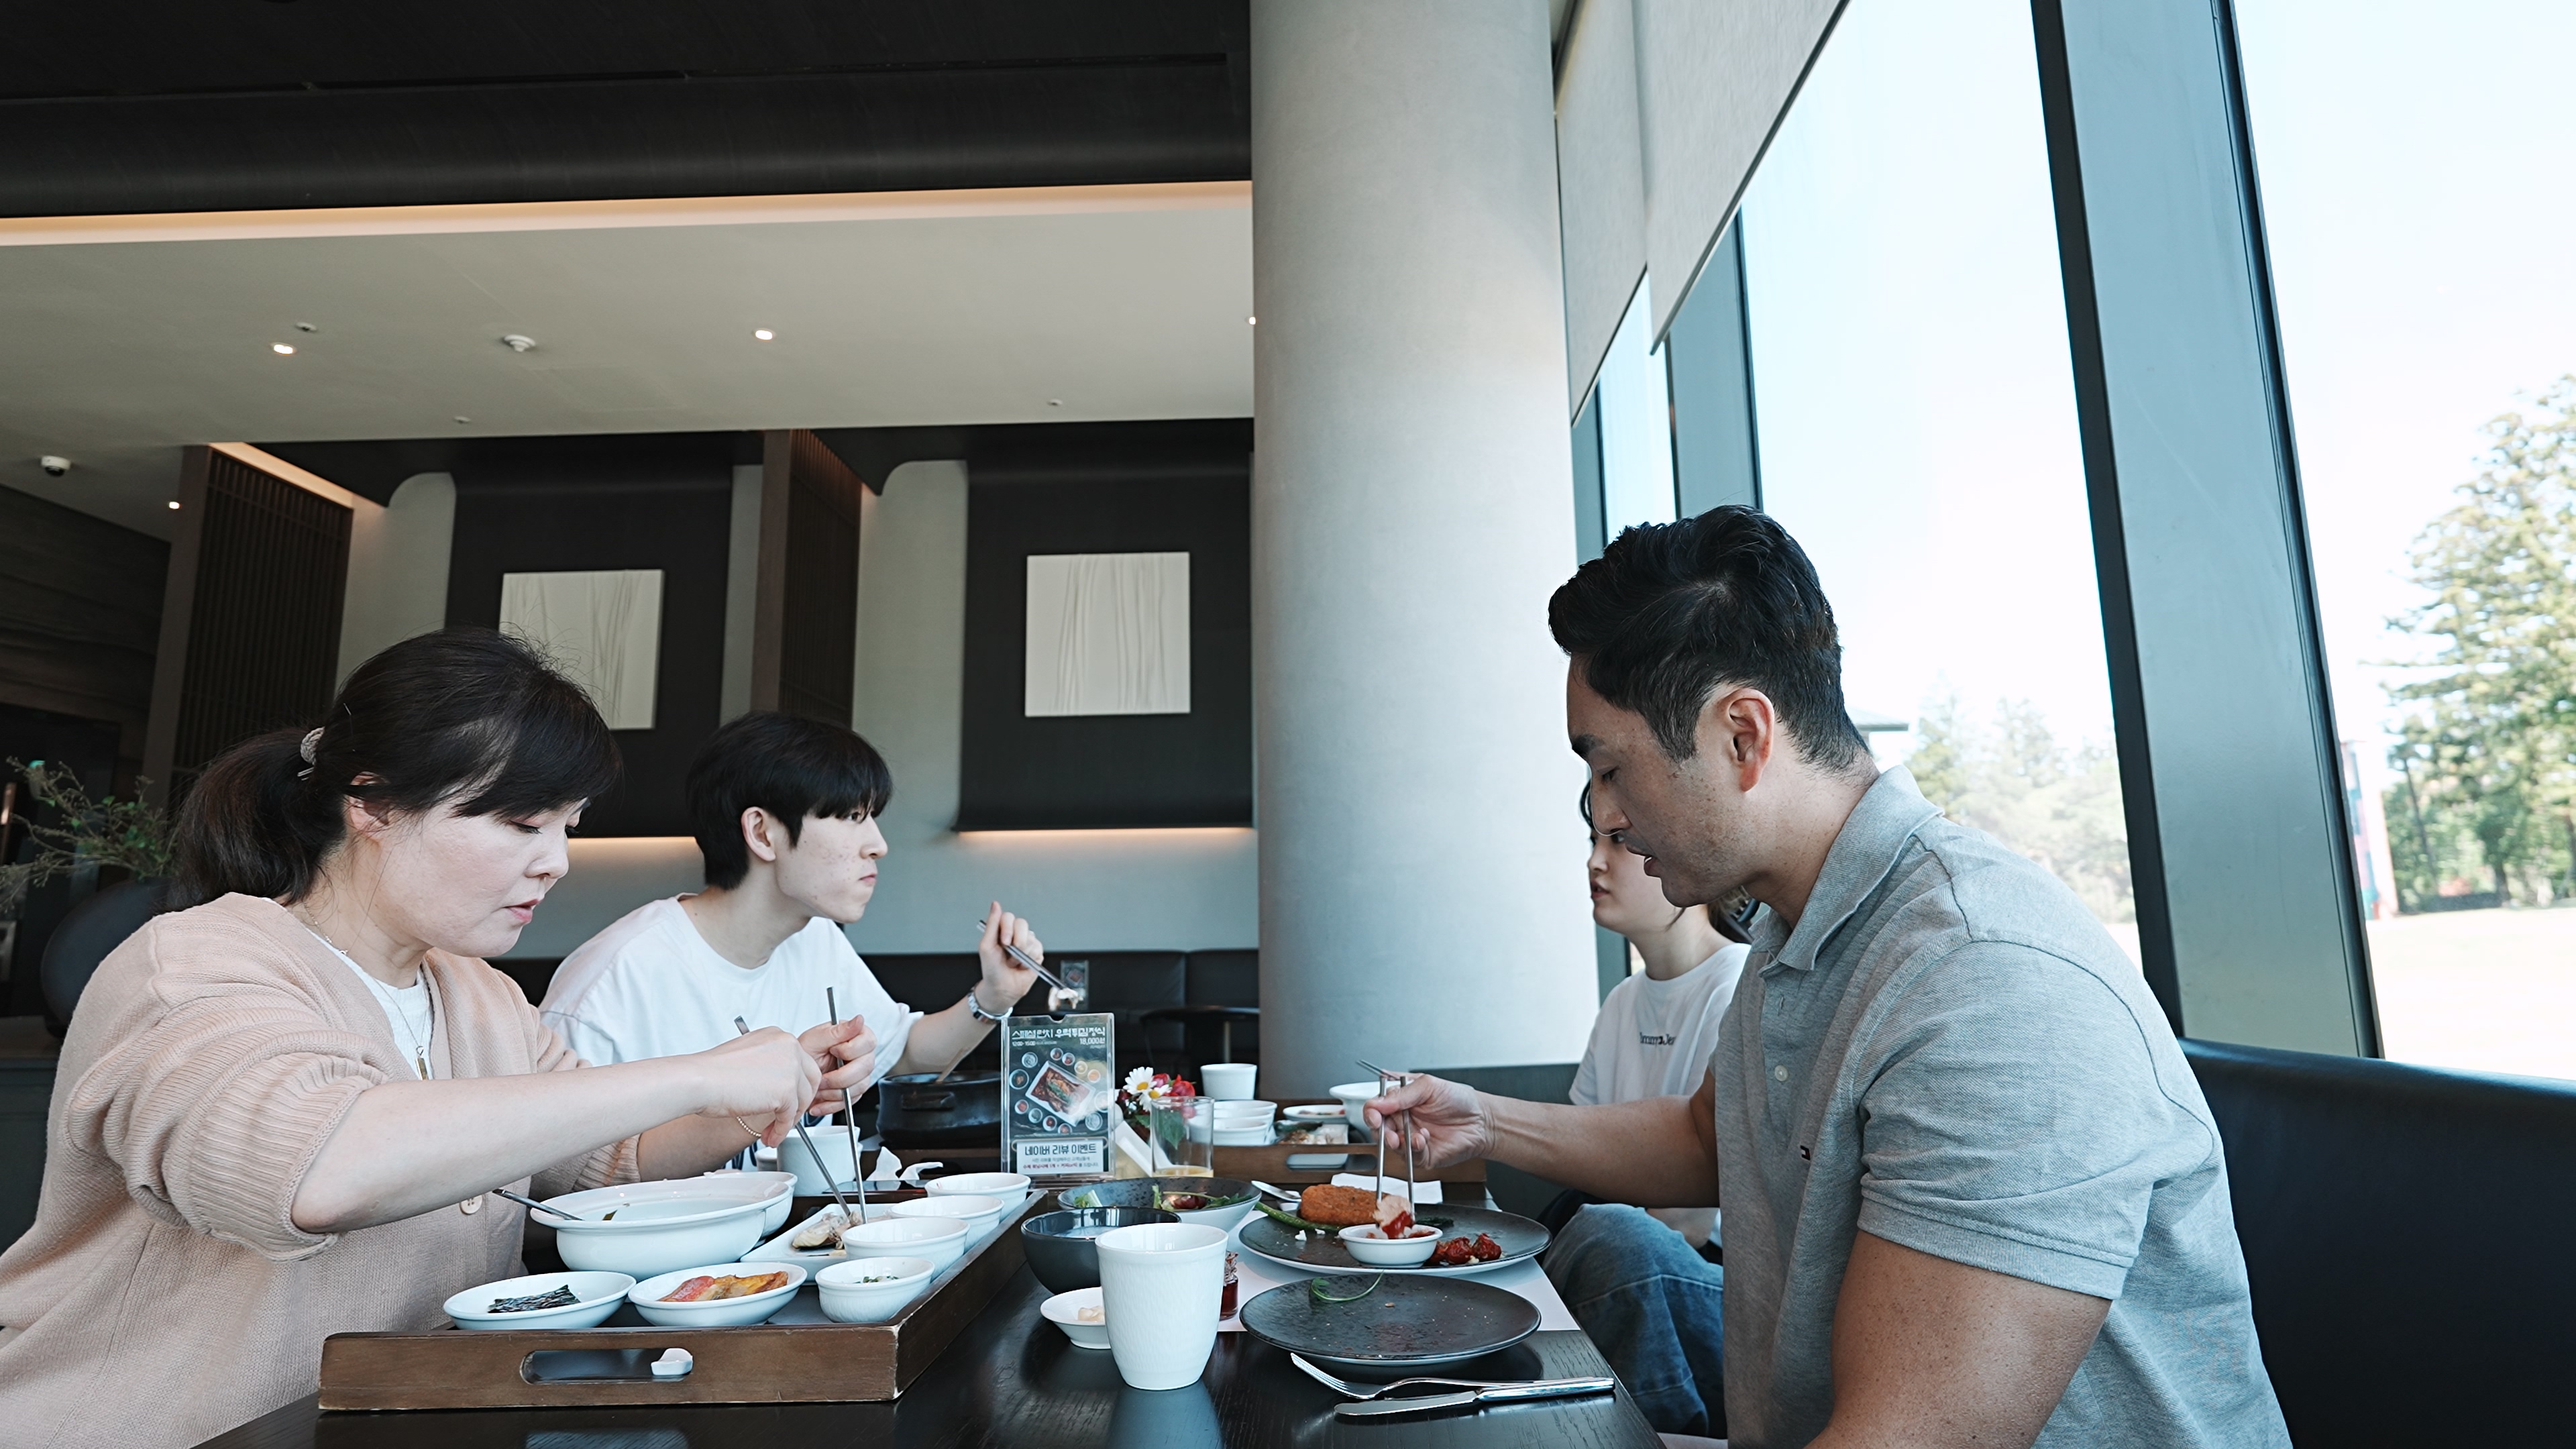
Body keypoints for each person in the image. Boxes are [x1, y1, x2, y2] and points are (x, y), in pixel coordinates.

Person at [1375, 507, 2291, 1448]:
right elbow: (1712, 1138)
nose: (1606, 816)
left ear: (1743, 737)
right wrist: (1487, 1123)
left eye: (1610, 769)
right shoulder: (1798, 934)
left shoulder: (1983, 981)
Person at [0, 629, 867, 1449]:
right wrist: (694, 1075)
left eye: (567, 825)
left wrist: (759, 1093)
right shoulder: (197, 965)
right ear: (373, 804)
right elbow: (316, 1168)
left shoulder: (476, 992)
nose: (556, 861)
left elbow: (613, 1162)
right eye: (523, 824)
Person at [541, 712, 1043, 1112]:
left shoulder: (814, 938)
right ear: (763, 833)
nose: (878, 845)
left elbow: (904, 1054)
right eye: (852, 816)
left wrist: (995, 996)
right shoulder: (612, 984)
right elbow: (558, 1176)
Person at [1542, 792, 1750, 1437]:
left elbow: (1686, 1223)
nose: (1595, 862)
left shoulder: (1739, 985)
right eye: (1592, 842)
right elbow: (1583, 1174)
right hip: (1629, 1264)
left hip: (1721, 1289)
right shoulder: (1624, 1000)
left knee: (1617, 1241)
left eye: (1620, 842)